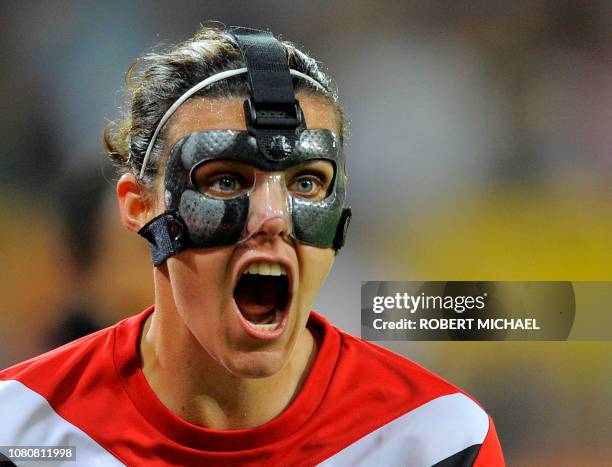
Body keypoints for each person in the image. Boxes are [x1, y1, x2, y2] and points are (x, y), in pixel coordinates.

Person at [0, 26, 504, 466]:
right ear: (138, 205)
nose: (272, 217)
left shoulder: (435, 443)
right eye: (226, 181)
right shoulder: (17, 433)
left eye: (306, 182)